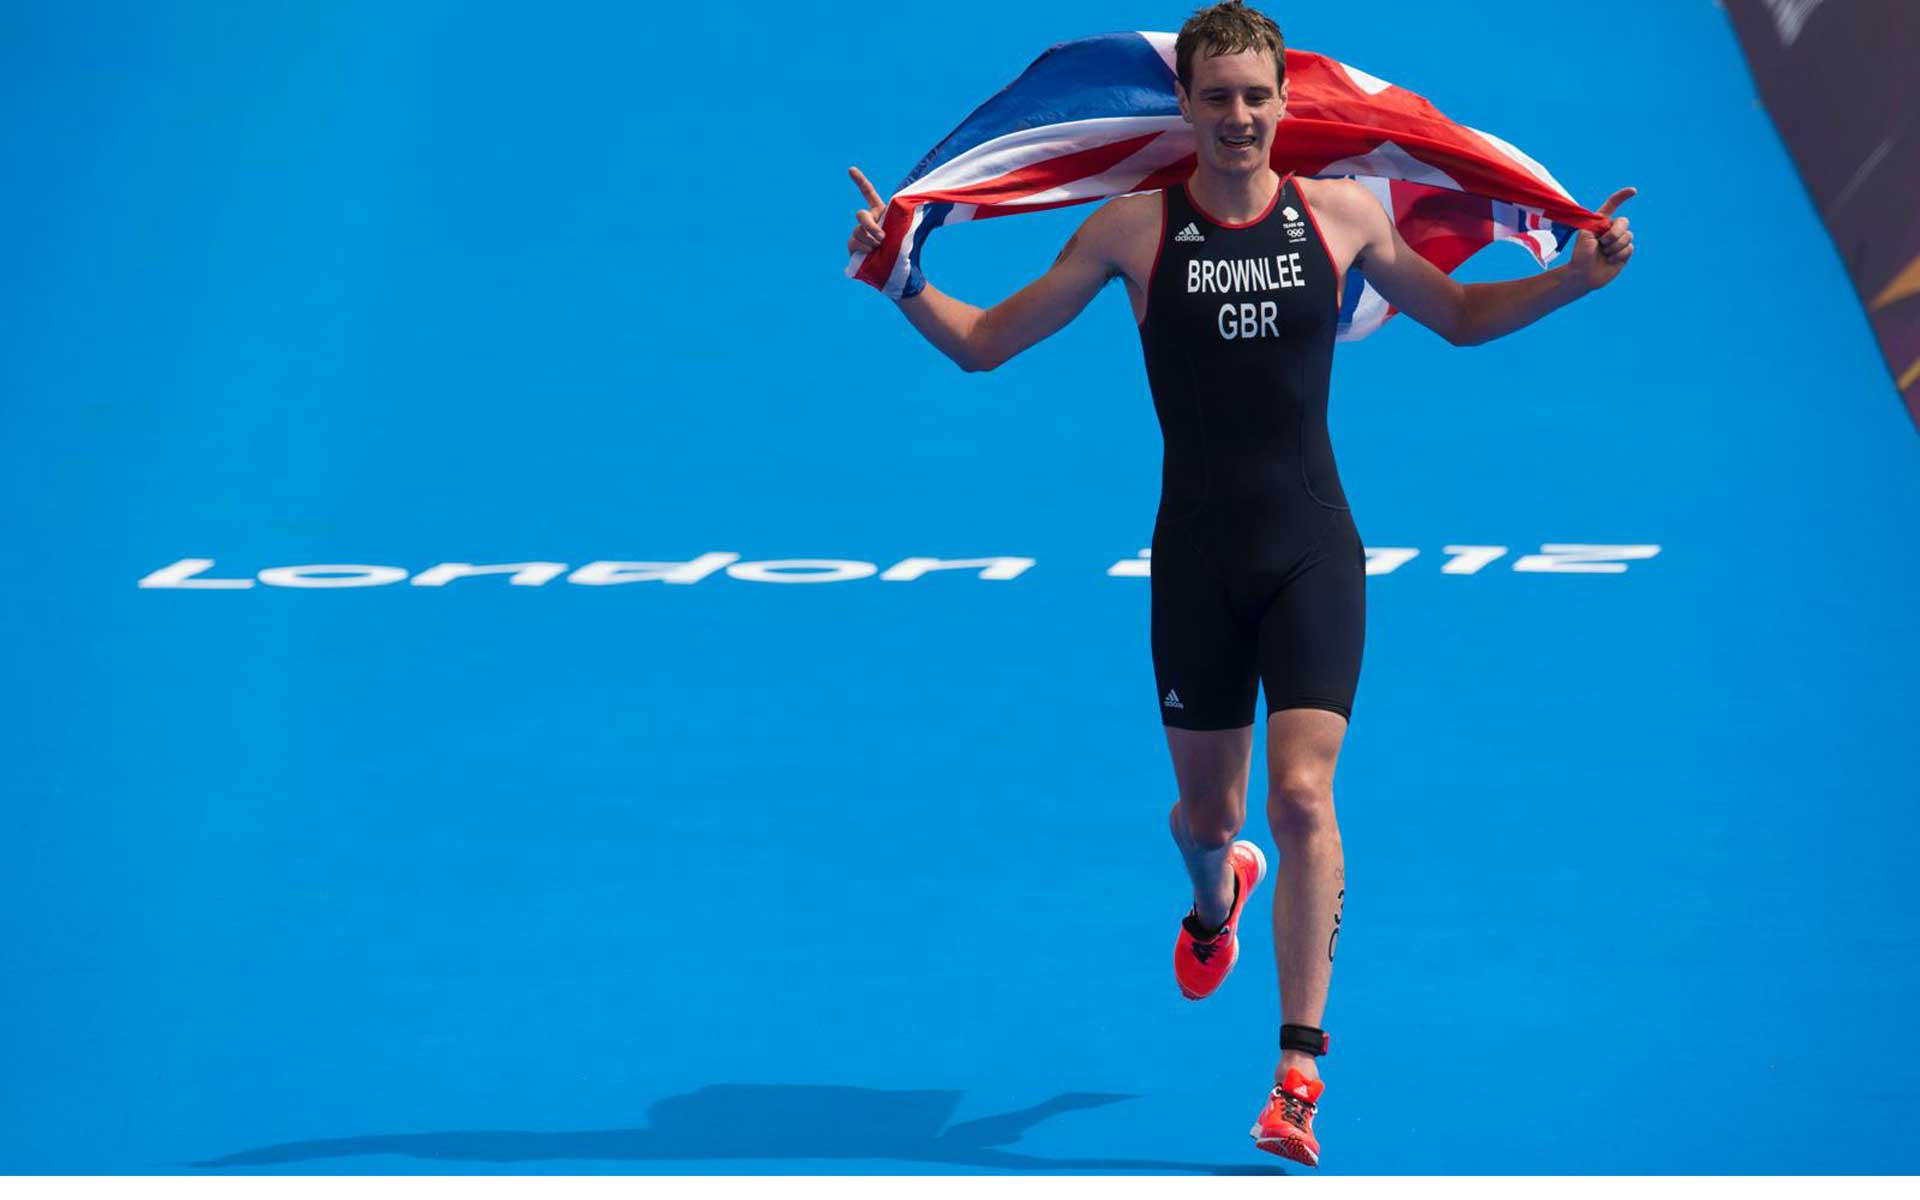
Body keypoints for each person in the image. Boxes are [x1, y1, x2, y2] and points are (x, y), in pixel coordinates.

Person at [844, 0, 1634, 1168]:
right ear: (1187, 106)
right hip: (1196, 566)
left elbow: (1461, 319)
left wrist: (1580, 278)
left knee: (1304, 797)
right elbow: (986, 344)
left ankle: (1297, 1076)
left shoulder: (1345, 214)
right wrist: (900, 276)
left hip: (1315, 550)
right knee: (1212, 819)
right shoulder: (1130, 230)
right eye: (1215, 97)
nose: (1238, 117)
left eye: (1257, 97)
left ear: (1284, 103)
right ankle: (1216, 899)